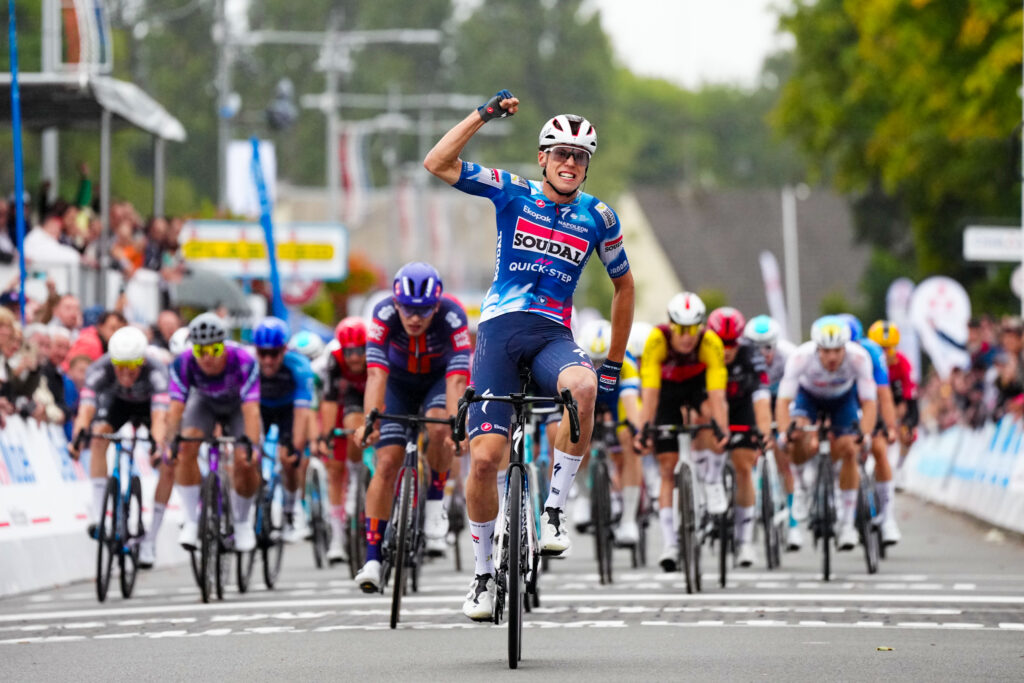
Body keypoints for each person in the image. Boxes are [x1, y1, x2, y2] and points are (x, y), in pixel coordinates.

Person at [424, 91, 635, 620]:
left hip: (551, 337)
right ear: (542, 158)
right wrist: (483, 114)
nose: (570, 163)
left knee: (583, 388)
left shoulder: (599, 216)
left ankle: (555, 510)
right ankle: (481, 576)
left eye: (580, 157)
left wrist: (612, 362)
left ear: (587, 165)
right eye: (561, 153)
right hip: (499, 334)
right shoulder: (512, 191)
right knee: (485, 460)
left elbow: (624, 286)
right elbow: (437, 162)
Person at [352, 262, 471, 591]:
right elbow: (375, 373)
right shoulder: (383, 314)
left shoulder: (453, 317)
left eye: (423, 310)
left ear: (437, 306)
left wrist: (458, 429)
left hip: (438, 381)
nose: (414, 318)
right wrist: (370, 422)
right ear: (396, 303)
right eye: (407, 309)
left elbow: (457, 379)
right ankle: (372, 560)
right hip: (397, 384)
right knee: (387, 462)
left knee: (441, 429)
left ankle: (434, 503)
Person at [634, 292, 729, 572]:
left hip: (697, 387)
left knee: (708, 417)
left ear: (702, 326)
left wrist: (721, 429)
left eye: (693, 328)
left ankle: (711, 480)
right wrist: (644, 430)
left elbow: (717, 394)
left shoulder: (710, 342)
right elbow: (650, 393)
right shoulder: (657, 340)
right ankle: (670, 543)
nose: (687, 336)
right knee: (667, 468)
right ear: (670, 324)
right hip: (666, 392)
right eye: (681, 328)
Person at [68, 327, 173, 568]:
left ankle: (150, 540)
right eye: (119, 366)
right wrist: (77, 440)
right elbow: (85, 410)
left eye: (131, 366)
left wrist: (157, 445)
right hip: (117, 404)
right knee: (98, 438)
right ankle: (100, 518)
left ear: (142, 361)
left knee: (169, 463)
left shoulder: (157, 371)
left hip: (149, 407)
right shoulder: (100, 368)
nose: (125, 372)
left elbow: (160, 418)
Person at [775, 316, 877, 552]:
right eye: (826, 351)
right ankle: (800, 488)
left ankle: (847, 524)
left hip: (842, 400)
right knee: (796, 435)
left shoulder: (859, 358)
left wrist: (865, 433)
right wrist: (784, 433)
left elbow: (869, 402)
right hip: (808, 397)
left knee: (850, 449)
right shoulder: (801, 357)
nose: (832, 357)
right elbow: (783, 401)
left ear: (845, 348)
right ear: (817, 349)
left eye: (837, 351)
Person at [166, 313, 262, 553]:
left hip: (237, 407)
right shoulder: (183, 362)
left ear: (224, 346)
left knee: (245, 460)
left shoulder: (243, 360)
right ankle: (191, 520)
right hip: (204, 404)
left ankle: (242, 522)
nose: (207, 357)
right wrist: (171, 443)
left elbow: (251, 410)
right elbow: (176, 408)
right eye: (200, 350)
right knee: (185, 447)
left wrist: (252, 446)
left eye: (214, 349)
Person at [707, 307, 772, 568]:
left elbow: (762, 398)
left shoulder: (751, 355)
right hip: (711, 405)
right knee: (706, 442)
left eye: (732, 343)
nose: (726, 350)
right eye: (721, 343)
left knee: (744, 466)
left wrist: (764, 432)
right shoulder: (703, 351)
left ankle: (745, 540)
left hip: (741, 407)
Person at [579, 319, 643, 545]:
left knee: (629, 440)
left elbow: (631, 404)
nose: (598, 366)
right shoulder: (576, 360)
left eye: (602, 360)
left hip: (617, 396)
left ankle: (628, 520)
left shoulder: (627, 361)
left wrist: (636, 432)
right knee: (577, 439)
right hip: (588, 393)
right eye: (593, 360)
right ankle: (584, 498)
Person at [252, 317, 316, 544]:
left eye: (274, 354)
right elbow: (244, 410)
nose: (268, 360)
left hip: (289, 410)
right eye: (263, 354)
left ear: (284, 350)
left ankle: (289, 513)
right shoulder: (249, 366)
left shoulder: (299, 367)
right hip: (258, 408)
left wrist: (295, 449)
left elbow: (302, 414)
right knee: (249, 454)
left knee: (290, 459)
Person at [743, 315, 802, 550]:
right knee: (749, 450)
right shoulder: (743, 356)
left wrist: (789, 426)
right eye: (756, 348)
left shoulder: (790, 356)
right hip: (755, 400)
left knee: (784, 460)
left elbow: (799, 394)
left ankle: (793, 524)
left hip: (782, 400)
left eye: (767, 347)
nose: (762, 353)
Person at [318, 317, 369, 563]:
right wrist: (326, 435)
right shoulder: (334, 359)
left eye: (360, 351)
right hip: (349, 400)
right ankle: (337, 538)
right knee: (336, 467)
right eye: (349, 352)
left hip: (378, 395)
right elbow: (328, 399)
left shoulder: (378, 354)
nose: (355, 358)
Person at [868, 319, 919, 544]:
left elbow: (911, 399)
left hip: (894, 405)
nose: (885, 353)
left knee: (907, 431)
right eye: (880, 348)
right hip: (870, 404)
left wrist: (908, 424)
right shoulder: (865, 361)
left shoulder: (902, 364)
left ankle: (898, 467)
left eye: (889, 349)